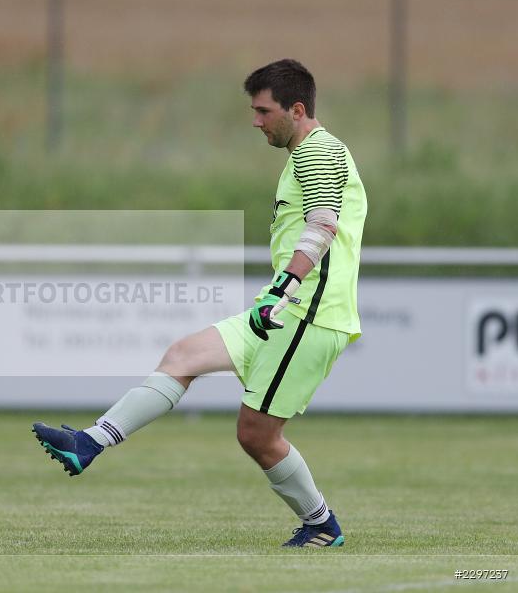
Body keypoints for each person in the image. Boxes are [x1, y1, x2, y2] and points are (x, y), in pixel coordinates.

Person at [32, 58, 367, 548]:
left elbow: (321, 225)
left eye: (263, 111)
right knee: (183, 355)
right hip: (281, 309)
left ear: (297, 110)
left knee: (256, 435)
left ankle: (321, 524)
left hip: (306, 313)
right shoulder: (305, 155)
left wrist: (283, 287)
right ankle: (90, 443)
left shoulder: (319, 151)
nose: (255, 121)